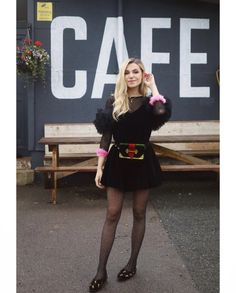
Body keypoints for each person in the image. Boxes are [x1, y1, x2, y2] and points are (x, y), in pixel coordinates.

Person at [89, 58, 172, 292]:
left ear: (142, 74)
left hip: (143, 161)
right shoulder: (113, 101)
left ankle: (132, 264)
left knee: (139, 212)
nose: (132, 76)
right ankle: (100, 271)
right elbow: (106, 137)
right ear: (122, 77)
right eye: (128, 72)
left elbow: (162, 111)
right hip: (117, 162)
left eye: (136, 72)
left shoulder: (149, 103)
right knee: (112, 213)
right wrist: (99, 166)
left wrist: (153, 86)